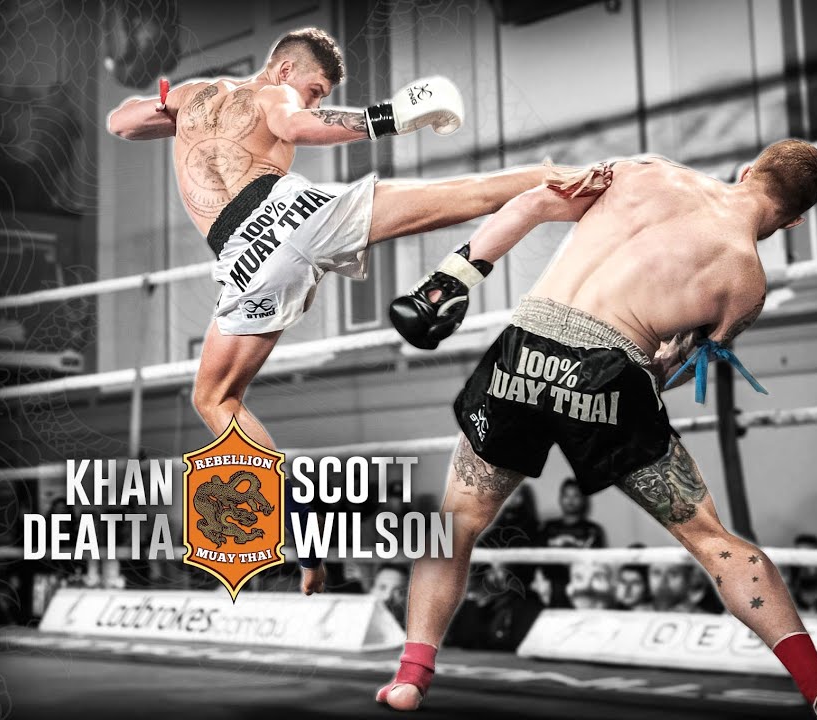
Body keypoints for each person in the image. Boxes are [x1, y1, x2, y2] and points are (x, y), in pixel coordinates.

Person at [378, 142, 817, 718]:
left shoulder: (646, 171)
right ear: (794, 220)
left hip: (522, 352)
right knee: (711, 540)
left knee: (455, 523)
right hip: (610, 374)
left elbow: (534, 202)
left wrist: (452, 279)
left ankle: (411, 678)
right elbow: (670, 371)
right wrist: (645, 362)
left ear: (748, 170)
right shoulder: (746, 285)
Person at [106, 28, 559, 593]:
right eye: (315, 88)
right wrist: (389, 118)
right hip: (293, 214)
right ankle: (562, 179)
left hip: (245, 259)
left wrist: (170, 108)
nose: (313, 99)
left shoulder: (192, 96)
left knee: (214, 399)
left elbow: (121, 122)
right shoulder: (274, 93)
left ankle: (304, 545)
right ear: (284, 69)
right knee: (464, 196)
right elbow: (296, 125)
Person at [538, 478, 607, 608]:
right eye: (566, 495)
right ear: (560, 498)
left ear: (583, 499)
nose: (570, 500)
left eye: (575, 496)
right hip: (552, 588)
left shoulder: (593, 529)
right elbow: (538, 559)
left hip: (582, 587)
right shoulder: (548, 527)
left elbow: (596, 563)